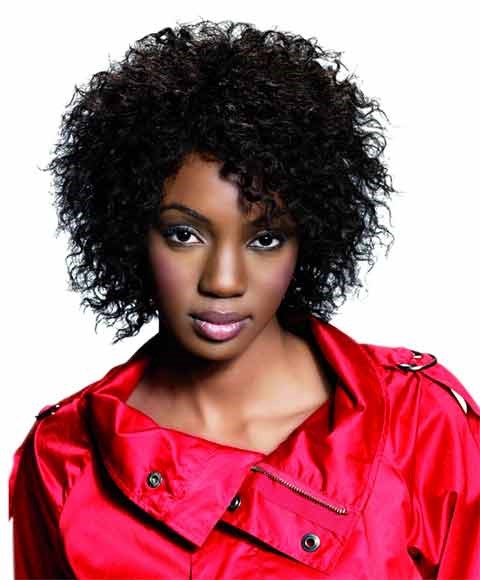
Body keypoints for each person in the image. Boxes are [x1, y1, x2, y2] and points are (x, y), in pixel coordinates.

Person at [8, 20, 480, 579]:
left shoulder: (420, 424)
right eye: (184, 234)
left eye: (265, 239)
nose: (224, 281)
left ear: (309, 239)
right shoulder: (65, 456)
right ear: (130, 230)